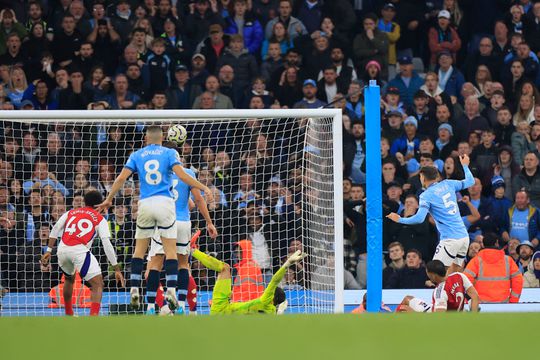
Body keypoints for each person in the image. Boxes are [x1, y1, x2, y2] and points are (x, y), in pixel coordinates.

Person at [95, 125, 213, 311]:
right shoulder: (172, 158)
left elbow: (120, 178)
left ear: (146, 138)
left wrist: (109, 198)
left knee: (146, 256)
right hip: (171, 211)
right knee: (178, 258)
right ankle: (176, 298)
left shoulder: (137, 154)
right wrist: (205, 189)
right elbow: (189, 191)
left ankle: (140, 295)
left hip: (145, 204)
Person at [145, 142, 218, 315]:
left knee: (154, 264)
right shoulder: (189, 174)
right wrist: (209, 222)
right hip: (183, 223)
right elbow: (197, 202)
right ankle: (182, 306)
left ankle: (151, 308)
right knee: (183, 265)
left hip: (163, 221)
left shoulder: (157, 175)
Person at [40, 191, 125, 316]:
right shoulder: (100, 219)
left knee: (69, 279)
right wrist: (116, 268)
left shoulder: (71, 212)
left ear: (84, 202)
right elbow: (107, 243)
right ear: (100, 204)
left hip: (62, 249)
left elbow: (56, 227)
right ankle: (93, 317)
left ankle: (69, 314)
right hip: (79, 250)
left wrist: (48, 250)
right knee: (98, 284)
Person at [387, 155, 475, 274]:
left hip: (450, 239)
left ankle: (442, 292)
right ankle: (460, 292)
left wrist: (400, 219)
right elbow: (470, 181)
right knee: (456, 272)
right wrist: (465, 165)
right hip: (464, 237)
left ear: (422, 177)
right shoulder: (449, 184)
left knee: (433, 272)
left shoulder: (426, 195)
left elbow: (419, 218)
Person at [191, 242, 306, 314]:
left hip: (221, 306)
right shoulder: (270, 312)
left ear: (271, 296)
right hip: (225, 314)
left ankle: (192, 250)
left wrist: (287, 263)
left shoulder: (265, 299)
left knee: (225, 268)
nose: (265, 291)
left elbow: (275, 279)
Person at [398, 260, 480, 312]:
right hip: (457, 315)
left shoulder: (440, 292)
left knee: (404, 307)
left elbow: (438, 320)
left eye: (427, 273)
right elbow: (475, 296)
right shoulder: (459, 276)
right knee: (408, 298)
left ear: (433, 276)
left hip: (438, 322)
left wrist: (412, 313)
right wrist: (472, 318)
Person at [464, 233, 523, 303]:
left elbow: (465, 280)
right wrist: (513, 301)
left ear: (483, 244)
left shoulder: (476, 261)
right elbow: (518, 280)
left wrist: (469, 301)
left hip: (481, 305)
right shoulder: (508, 260)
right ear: (497, 243)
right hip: (503, 305)